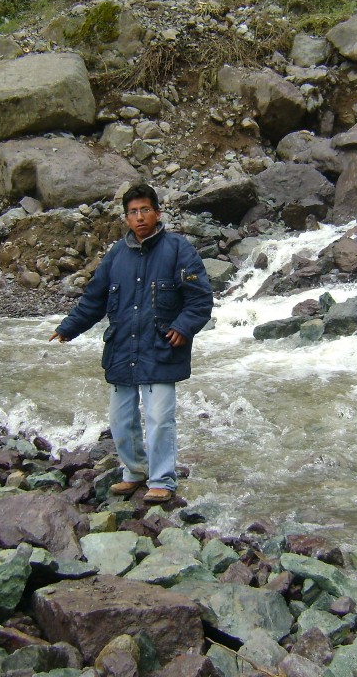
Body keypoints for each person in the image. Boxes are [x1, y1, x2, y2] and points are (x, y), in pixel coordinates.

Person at [49, 183, 214, 503]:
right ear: (126, 217)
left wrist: (184, 326)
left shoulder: (179, 249)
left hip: (163, 348)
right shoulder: (116, 256)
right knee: (121, 421)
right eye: (133, 212)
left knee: (159, 419)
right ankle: (135, 471)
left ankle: (162, 480)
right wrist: (69, 328)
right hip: (122, 350)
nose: (140, 217)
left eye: (145, 210)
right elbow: (93, 300)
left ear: (157, 213)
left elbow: (200, 299)